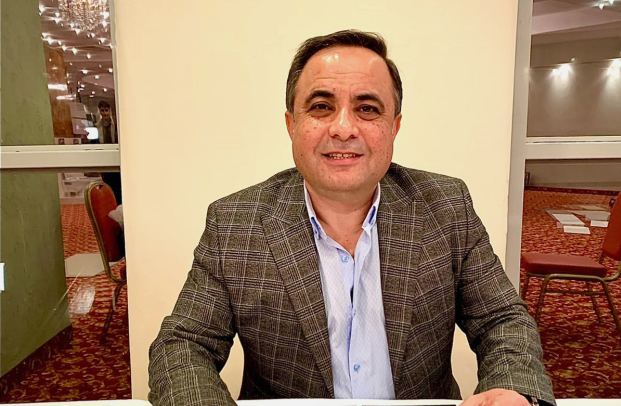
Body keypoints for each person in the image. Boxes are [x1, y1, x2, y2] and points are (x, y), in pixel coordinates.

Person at [148, 30, 555, 406]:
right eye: (321, 107)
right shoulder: (234, 223)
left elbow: (502, 319)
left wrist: (513, 387)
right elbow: (184, 344)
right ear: (292, 125)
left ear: (393, 127)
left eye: (367, 108)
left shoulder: (446, 206)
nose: (343, 128)